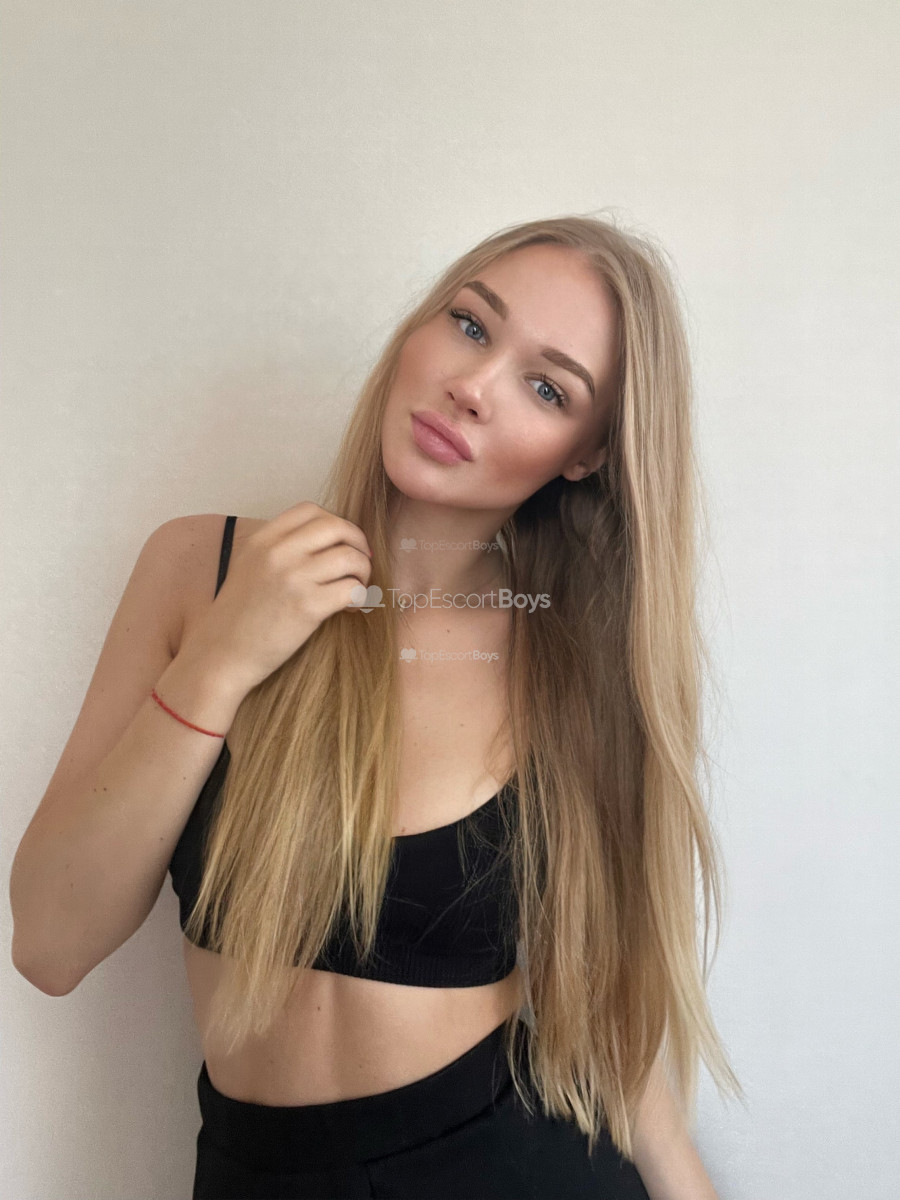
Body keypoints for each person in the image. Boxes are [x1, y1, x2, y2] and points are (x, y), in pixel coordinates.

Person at [10, 213, 742, 1198]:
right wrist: (221, 663)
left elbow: (604, 1014)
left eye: (547, 387)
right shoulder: (199, 569)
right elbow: (50, 945)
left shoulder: (571, 669)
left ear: (586, 454)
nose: (472, 387)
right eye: (472, 325)